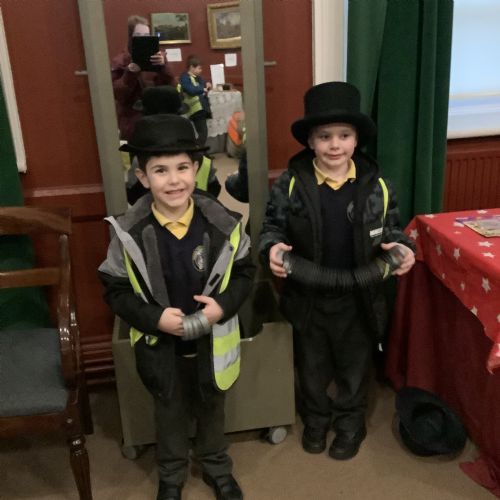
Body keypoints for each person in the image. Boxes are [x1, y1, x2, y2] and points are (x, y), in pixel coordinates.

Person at [98, 114, 254, 500]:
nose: (174, 180)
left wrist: (221, 307)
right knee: (168, 410)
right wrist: (154, 318)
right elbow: (115, 291)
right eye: (160, 170)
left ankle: (216, 465)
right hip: (160, 346)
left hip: (212, 342)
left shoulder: (224, 224)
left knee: (212, 406)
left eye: (182, 168)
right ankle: (171, 474)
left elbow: (245, 274)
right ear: (142, 176)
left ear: (196, 169)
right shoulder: (128, 232)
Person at [259, 81, 416, 461]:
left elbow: (393, 229)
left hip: (360, 296)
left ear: (356, 139)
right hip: (307, 294)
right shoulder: (291, 184)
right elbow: (271, 228)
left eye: (344, 136)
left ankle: (350, 421)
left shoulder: (378, 186)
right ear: (310, 141)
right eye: (324, 136)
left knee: (354, 365)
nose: (334, 145)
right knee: (311, 364)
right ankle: (316, 418)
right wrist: (272, 248)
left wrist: (403, 248)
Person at [126, 86, 222, 204]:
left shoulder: (140, 159)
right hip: (199, 209)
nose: (174, 180)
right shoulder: (203, 158)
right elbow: (214, 189)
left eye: (182, 168)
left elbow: (132, 196)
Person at [111, 15, 174, 140]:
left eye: (146, 35)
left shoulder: (157, 59)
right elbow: (118, 95)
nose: (143, 39)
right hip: (133, 124)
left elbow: (172, 88)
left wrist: (163, 67)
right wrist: (130, 72)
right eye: (138, 35)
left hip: (157, 121)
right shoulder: (120, 61)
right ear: (131, 37)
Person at [179, 55, 212, 147]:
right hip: (194, 109)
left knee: (203, 133)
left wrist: (208, 85)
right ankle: (197, 150)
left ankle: (198, 150)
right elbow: (190, 90)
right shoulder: (185, 77)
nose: (201, 70)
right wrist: (202, 89)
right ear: (191, 67)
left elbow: (204, 86)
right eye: (199, 68)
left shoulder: (199, 77)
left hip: (201, 108)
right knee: (203, 132)